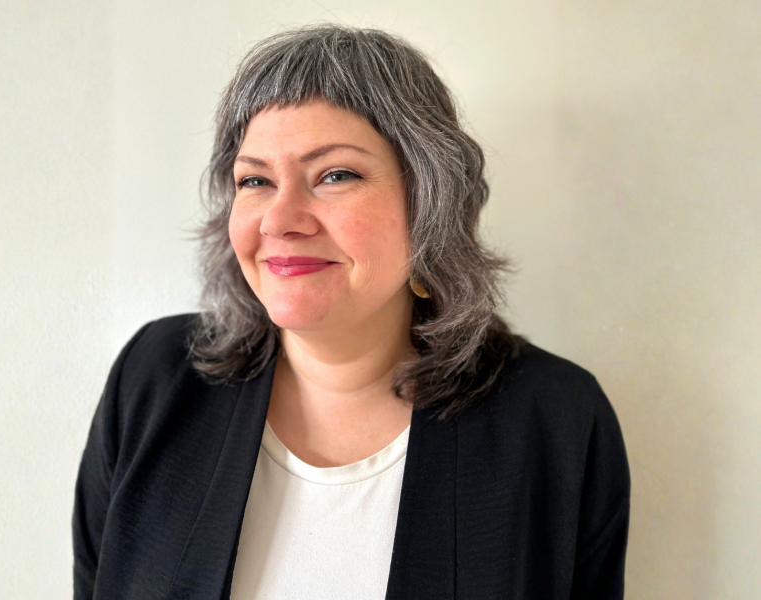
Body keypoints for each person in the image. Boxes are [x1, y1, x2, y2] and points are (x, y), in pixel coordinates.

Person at [72, 25, 630, 600]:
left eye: (335, 175)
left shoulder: (558, 420)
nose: (280, 219)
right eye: (255, 179)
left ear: (428, 203)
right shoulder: (154, 379)